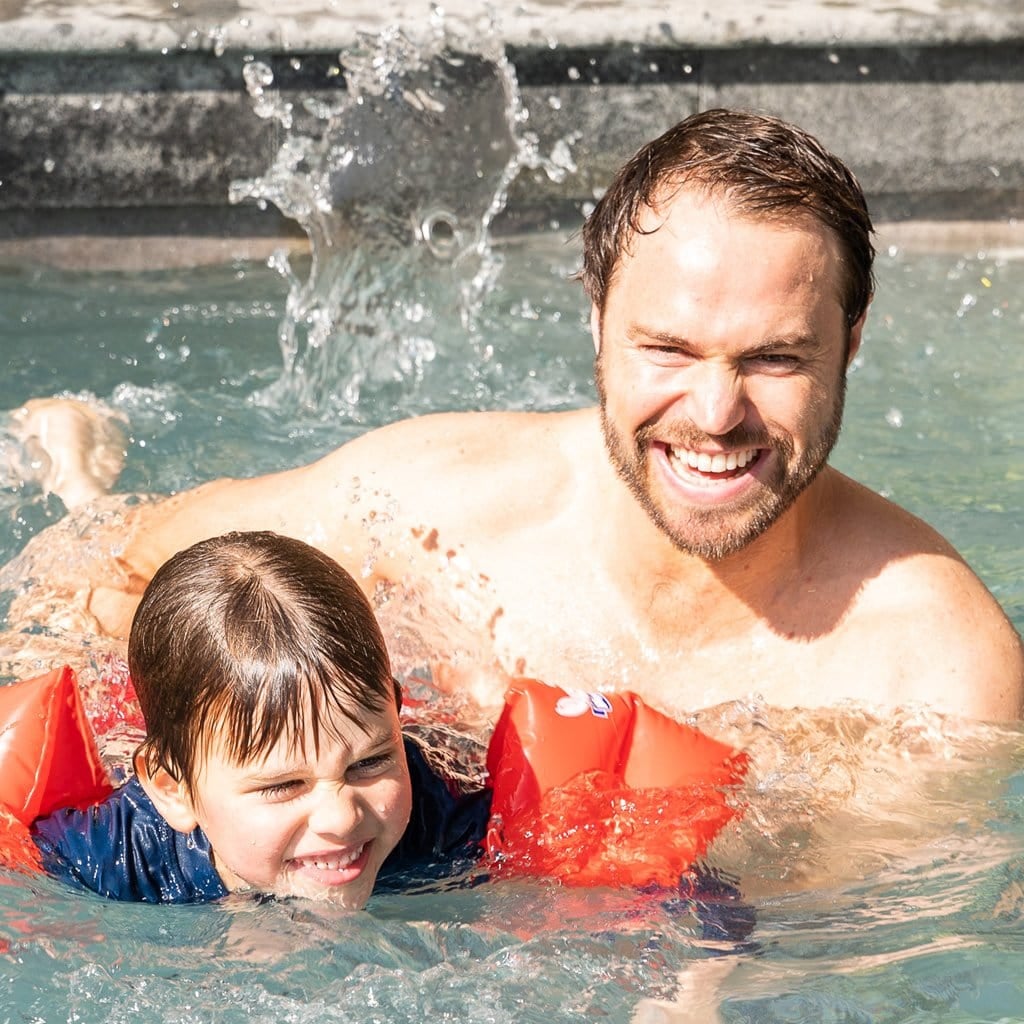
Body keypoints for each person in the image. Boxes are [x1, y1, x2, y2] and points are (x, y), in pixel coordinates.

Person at [10, 108, 1023, 722]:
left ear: (849, 340)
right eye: (665, 349)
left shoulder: (936, 670)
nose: (715, 413)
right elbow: (91, 579)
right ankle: (76, 460)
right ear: (596, 320)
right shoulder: (425, 506)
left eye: (774, 357)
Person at [31, 530, 489, 904]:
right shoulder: (111, 858)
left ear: (395, 715)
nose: (342, 818)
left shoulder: (448, 818)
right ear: (173, 789)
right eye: (283, 786)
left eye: (369, 762)